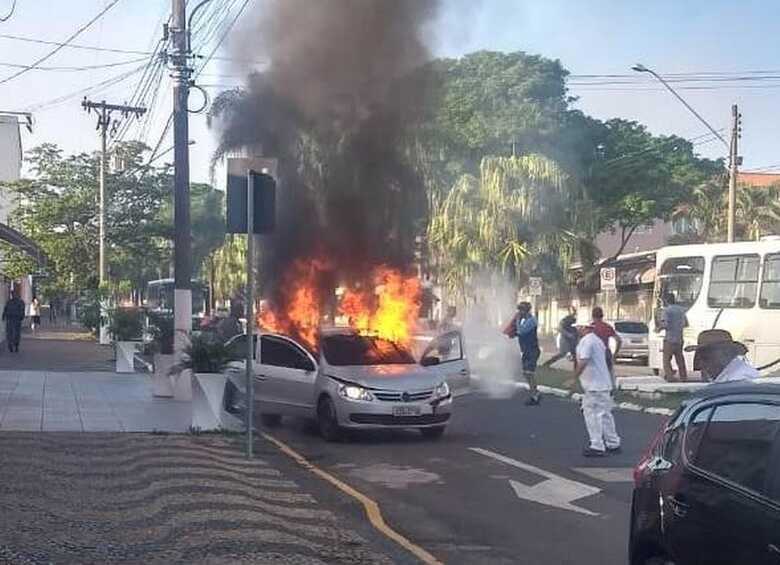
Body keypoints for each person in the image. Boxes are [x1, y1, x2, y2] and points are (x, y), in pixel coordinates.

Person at [575, 324, 621, 457]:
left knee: (592, 415)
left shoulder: (587, 341)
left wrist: (573, 378)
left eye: (578, 328)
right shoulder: (597, 340)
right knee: (605, 414)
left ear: (584, 328)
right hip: (603, 384)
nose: (577, 330)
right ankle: (613, 443)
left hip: (594, 386)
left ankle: (597, 445)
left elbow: (584, 361)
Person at [684, 329, 759, 384]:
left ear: (725, 353)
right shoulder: (729, 374)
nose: (701, 363)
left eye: (705, 356)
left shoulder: (739, 378)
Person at [504, 302, 542, 405]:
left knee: (529, 372)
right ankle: (535, 392)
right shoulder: (524, 320)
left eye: (521, 310)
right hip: (526, 350)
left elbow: (521, 331)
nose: (520, 312)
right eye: (519, 310)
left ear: (526, 310)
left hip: (532, 350)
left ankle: (535, 396)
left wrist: (517, 320)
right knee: (526, 373)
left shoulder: (531, 321)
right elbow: (519, 333)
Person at [658, 293, 689, 382]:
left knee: (666, 360)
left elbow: (665, 324)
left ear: (666, 300)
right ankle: (684, 377)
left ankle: (670, 377)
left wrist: (659, 328)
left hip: (669, 339)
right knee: (680, 359)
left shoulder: (666, 311)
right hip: (679, 338)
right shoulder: (681, 310)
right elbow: (686, 324)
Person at [591, 306, 621, 375]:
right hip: (605, 353)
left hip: (594, 353)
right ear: (602, 315)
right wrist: (615, 353)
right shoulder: (607, 327)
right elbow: (618, 340)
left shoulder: (590, 328)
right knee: (607, 375)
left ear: (592, 316)